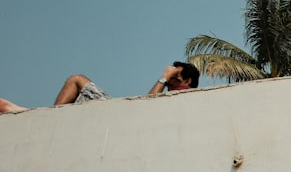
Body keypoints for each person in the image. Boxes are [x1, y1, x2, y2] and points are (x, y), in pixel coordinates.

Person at [0, 62, 200, 114]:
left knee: (78, 79)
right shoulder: (172, 97)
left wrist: (165, 78)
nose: (172, 78)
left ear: (187, 81)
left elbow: (149, 105)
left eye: (177, 75)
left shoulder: (186, 96)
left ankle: (50, 117)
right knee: (76, 80)